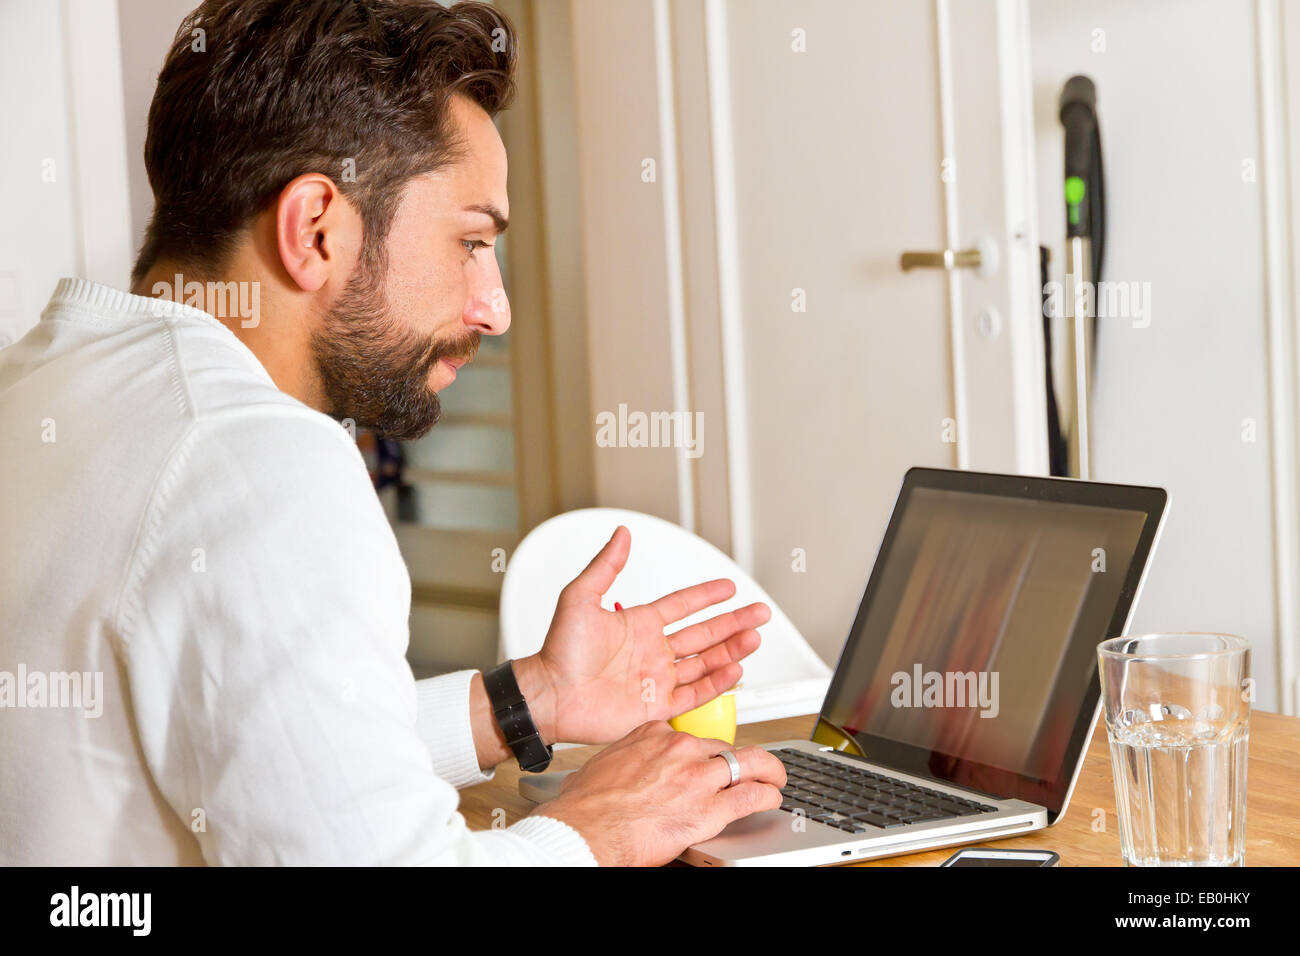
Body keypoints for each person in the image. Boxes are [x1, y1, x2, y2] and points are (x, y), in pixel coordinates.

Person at [0, 0, 785, 866]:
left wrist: (525, 703)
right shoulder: (257, 463)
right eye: (471, 241)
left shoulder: (47, 381)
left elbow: (260, 744)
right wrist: (594, 830)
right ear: (317, 229)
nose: (497, 307)